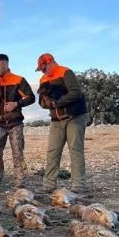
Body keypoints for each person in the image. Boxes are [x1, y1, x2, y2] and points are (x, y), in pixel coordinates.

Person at [36, 53, 89, 194]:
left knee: (75, 149)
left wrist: (57, 103)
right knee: (52, 151)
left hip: (75, 116)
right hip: (56, 120)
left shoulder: (66, 72)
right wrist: (45, 103)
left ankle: (79, 184)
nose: (43, 71)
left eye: (44, 67)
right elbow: (41, 101)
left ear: (51, 62)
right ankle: (49, 185)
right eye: (41, 69)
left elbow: (76, 92)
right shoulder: (43, 79)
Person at [0, 54, 35, 191]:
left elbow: (31, 97)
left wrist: (16, 103)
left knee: (18, 153)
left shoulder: (18, 80)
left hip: (15, 123)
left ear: (6, 65)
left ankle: (20, 184)